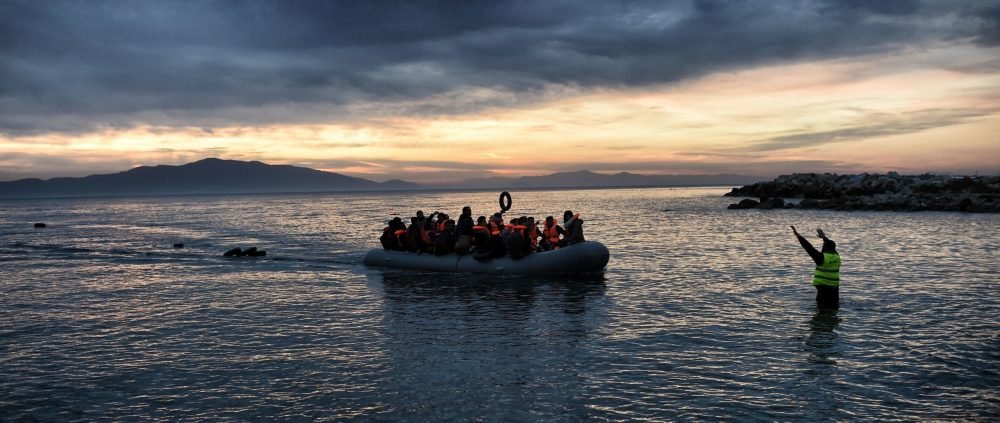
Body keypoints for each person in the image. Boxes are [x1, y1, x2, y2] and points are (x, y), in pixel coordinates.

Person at [791, 226, 841, 308]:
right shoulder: (837, 257)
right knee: (833, 312)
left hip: (823, 292)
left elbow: (809, 248)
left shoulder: (821, 258)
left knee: (821, 314)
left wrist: (798, 236)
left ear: (824, 248)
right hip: (834, 292)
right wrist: (824, 238)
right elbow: (831, 245)